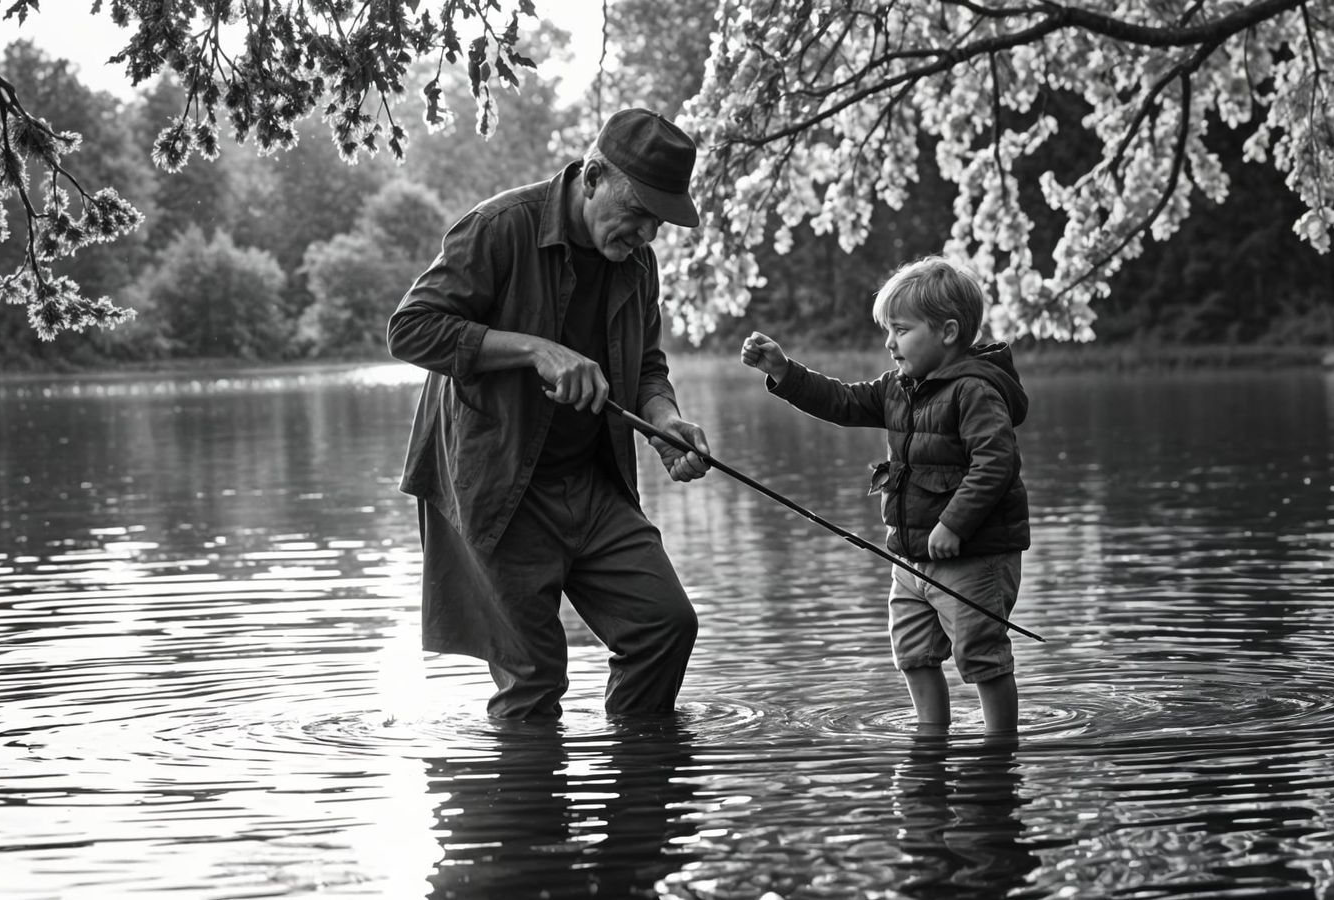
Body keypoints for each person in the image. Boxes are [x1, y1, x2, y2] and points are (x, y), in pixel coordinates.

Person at [386, 107, 711, 719]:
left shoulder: (637, 261)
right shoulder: (499, 227)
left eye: (658, 222)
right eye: (638, 212)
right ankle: (528, 810)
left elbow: (645, 366)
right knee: (533, 685)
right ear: (591, 178)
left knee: (664, 625)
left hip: (591, 480)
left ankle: (640, 784)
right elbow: (409, 329)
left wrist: (665, 420)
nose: (646, 233)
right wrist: (537, 351)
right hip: (494, 480)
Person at [740, 257, 1031, 733]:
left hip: (975, 555)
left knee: (982, 656)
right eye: (887, 331)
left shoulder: (976, 392)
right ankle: (931, 735)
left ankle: (1000, 746)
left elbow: (995, 463)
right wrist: (784, 371)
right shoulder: (898, 388)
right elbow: (842, 401)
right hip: (911, 556)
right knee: (913, 652)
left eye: (900, 330)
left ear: (948, 332)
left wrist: (955, 523)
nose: (889, 343)